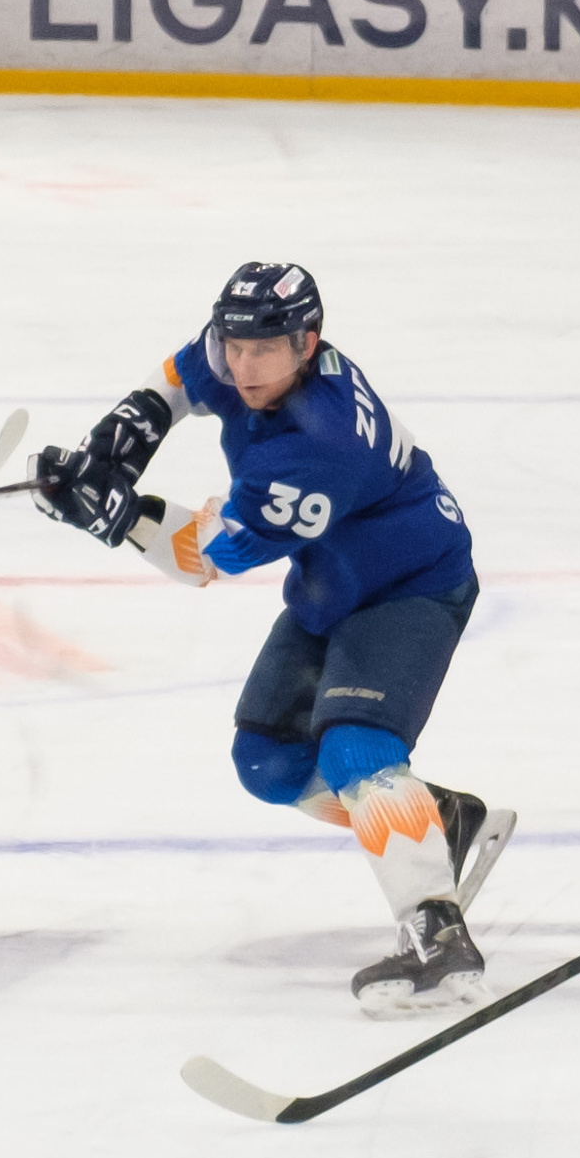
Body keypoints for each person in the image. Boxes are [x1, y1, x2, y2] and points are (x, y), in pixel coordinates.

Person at [35, 262, 513, 1015]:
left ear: (308, 342)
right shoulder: (249, 355)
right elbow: (178, 382)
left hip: (412, 584)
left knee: (357, 750)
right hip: (336, 583)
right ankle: (439, 821)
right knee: (268, 760)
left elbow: (204, 560)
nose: (242, 366)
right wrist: (118, 444)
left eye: (263, 350)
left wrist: (116, 518)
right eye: (234, 346)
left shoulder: (315, 449)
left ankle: (438, 936)